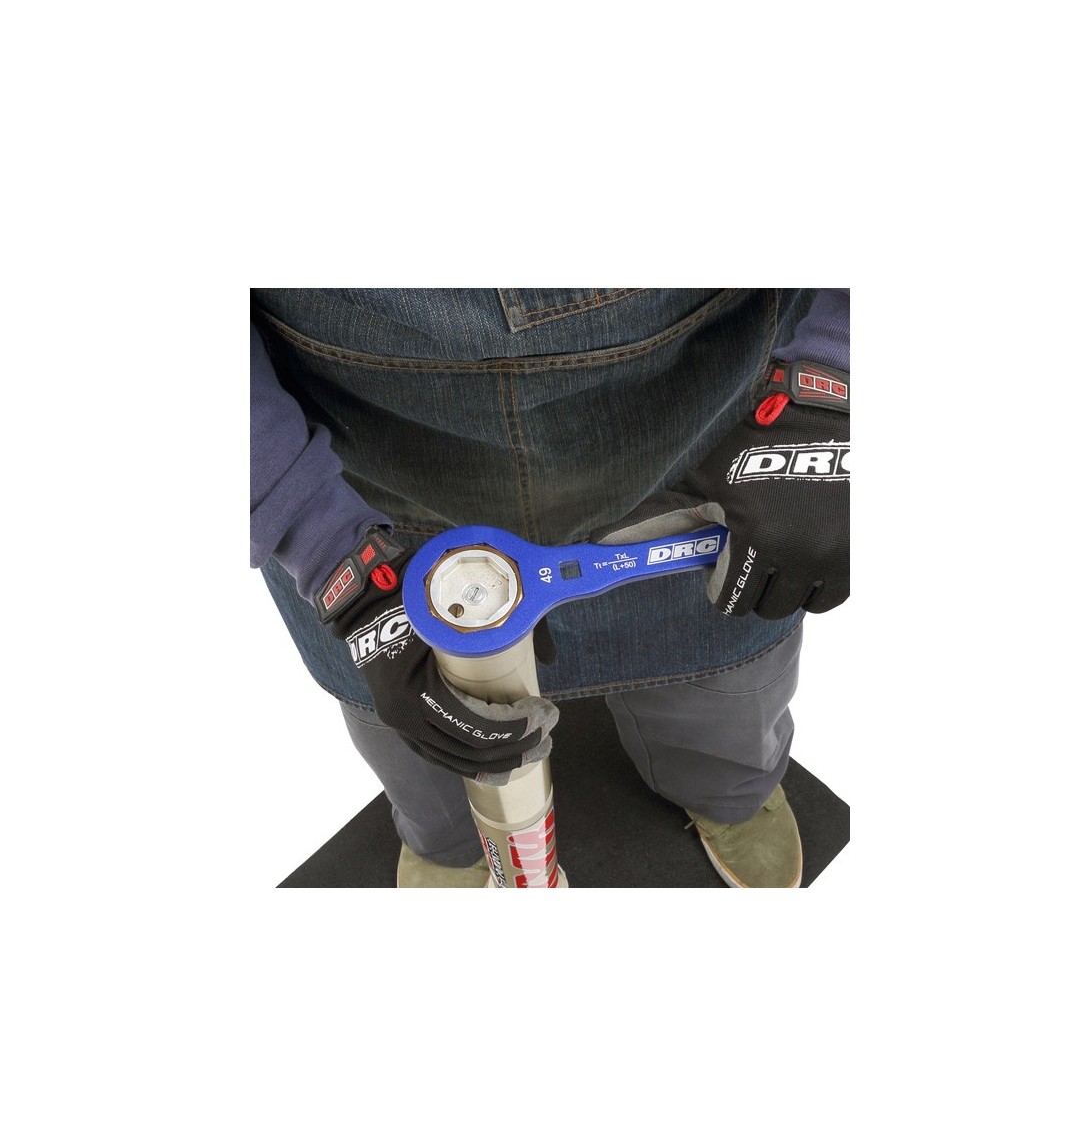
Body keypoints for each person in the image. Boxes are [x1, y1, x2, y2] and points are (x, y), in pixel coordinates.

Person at [250, 288, 849, 888]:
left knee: (724, 701)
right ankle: (450, 843)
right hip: (366, 499)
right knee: (426, 744)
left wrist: (833, 392)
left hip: (701, 455)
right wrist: (332, 557)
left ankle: (731, 797)